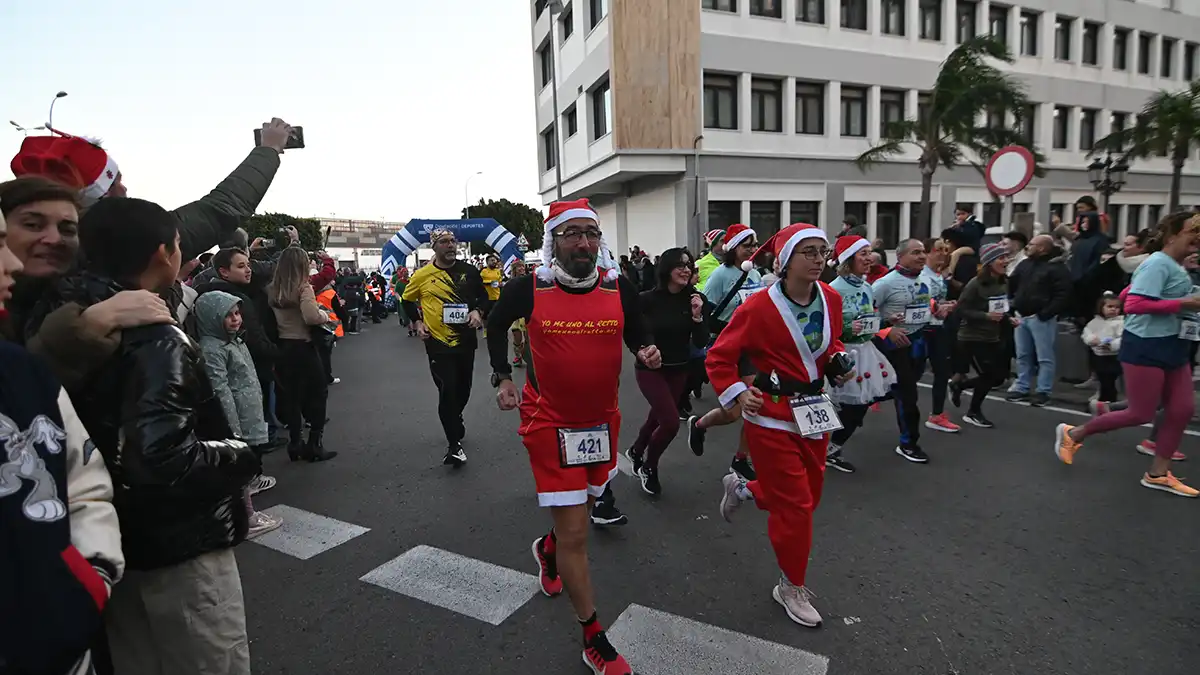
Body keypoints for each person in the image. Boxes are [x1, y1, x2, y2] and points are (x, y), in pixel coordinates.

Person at [52, 197, 261, 674]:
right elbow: (160, 458)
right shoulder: (155, 337)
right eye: (179, 244)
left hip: (114, 540)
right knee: (212, 660)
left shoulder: (74, 316)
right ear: (162, 254)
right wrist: (241, 456)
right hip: (179, 544)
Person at [486, 198, 660, 675]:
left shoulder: (616, 285)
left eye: (591, 233)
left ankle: (548, 549)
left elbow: (636, 326)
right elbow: (497, 323)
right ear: (554, 241)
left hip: (603, 423)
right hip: (550, 421)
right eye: (571, 233)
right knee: (579, 534)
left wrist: (644, 347)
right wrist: (502, 376)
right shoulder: (529, 287)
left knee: (575, 519)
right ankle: (593, 636)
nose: (583, 242)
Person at [0, 206, 124, 675]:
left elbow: (83, 481)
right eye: (31, 225)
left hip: (68, 644)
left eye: (68, 228)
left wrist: (92, 577)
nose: (11, 261)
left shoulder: (22, 370)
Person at [713, 223, 856, 628]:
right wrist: (738, 393)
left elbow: (831, 343)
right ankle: (791, 586)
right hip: (771, 415)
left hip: (815, 410)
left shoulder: (830, 297)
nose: (817, 259)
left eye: (822, 251)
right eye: (807, 252)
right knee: (796, 507)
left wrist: (837, 360)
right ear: (786, 259)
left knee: (807, 498)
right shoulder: (758, 306)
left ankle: (743, 487)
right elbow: (720, 358)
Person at [1055, 212, 1200, 498]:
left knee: (1182, 410)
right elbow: (1133, 304)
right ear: (1172, 236)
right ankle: (1073, 434)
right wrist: (1185, 303)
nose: (1197, 239)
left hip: (1173, 344)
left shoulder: (1175, 265)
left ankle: (1158, 473)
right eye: (1192, 233)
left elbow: (1126, 293)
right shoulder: (1158, 262)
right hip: (1145, 345)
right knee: (1140, 413)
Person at [194, 291, 283, 538]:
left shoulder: (234, 341)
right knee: (239, 474)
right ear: (211, 318)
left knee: (244, 470)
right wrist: (232, 428)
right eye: (227, 315)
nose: (235, 319)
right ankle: (246, 518)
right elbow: (220, 390)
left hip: (248, 412)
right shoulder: (213, 349)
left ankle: (247, 515)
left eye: (237, 314)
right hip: (237, 420)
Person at [625, 247, 708, 495]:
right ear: (667, 268)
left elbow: (702, 341)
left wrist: (697, 317)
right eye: (680, 265)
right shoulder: (646, 299)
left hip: (679, 369)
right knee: (670, 422)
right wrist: (642, 350)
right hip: (650, 369)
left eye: (689, 265)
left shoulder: (695, 299)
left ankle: (637, 450)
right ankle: (649, 466)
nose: (686, 270)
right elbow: (634, 333)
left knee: (658, 416)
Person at [401, 228, 487, 467]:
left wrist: (478, 311)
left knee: (463, 390)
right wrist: (417, 321)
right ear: (434, 247)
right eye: (445, 242)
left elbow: (484, 297)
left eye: (453, 241)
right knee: (447, 389)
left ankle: (455, 416)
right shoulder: (422, 275)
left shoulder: (469, 272)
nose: (451, 245)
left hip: (465, 341)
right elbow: (406, 300)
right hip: (437, 344)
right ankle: (454, 445)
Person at [826, 235, 896, 473]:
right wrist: (847, 329)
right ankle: (826, 448)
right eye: (863, 254)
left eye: (869, 252)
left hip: (866, 352)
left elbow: (868, 321)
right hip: (843, 353)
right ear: (848, 259)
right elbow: (828, 327)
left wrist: (885, 321)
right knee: (842, 407)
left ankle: (831, 447)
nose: (870, 258)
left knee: (860, 405)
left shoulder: (866, 287)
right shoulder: (833, 290)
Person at [268, 247, 338, 462]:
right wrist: (325, 315)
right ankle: (314, 444)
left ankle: (295, 442)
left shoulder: (271, 289)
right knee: (317, 393)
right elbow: (310, 316)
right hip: (303, 346)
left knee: (291, 396)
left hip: (283, 346)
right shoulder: (303, 287)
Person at [872, 239, 939, 463]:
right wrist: (887, 327)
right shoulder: (884, 284)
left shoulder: (925, 280)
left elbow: (925, 307)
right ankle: (909, 442)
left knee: (900, 390)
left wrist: (938, 310)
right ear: (900, 256)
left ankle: (870, 396)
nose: (921, 256)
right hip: (894, 346)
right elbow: (866, 315)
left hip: (919, 343)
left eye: (923, 252)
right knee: (908, 396)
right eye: (915, 252)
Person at [949, 243, 1015, 428]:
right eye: (1000, 258)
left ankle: (959, 386)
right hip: (972, 337)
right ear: (989, 262)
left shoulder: (1004, 281)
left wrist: (1009, 319)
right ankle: (973, 412)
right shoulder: (975, 284)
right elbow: (960, 310)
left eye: (1006, 257)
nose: (1005, 261)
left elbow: (1001, 308)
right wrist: (986, 316)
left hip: (993, 336)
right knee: (989, 376)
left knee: (998, 377)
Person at [1005, 234, 1072, 406]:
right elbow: (1012, 284)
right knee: (1023, 354)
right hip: (1021, 315)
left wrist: (1046, 313)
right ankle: (1022, 386)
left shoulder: (1057, 268)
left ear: (1042, 248)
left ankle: (1043, 390)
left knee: (1044, 357)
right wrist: (1012, 305)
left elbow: (1063, 294)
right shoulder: (1025, 264)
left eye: (1032, 244)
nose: (1028, 247)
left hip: (1041, 318)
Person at [920, 236, 959, 434]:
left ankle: (936, 414)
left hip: (938, 328)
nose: (944, 254)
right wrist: (936, 307)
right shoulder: (921, 276)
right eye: (938, 250)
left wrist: (948, 305)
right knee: (909, 376)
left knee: (942, 372)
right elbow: (921, 300)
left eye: (945, 250)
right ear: (927, 253)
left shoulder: (938, 276)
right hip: (921, 329)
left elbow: (936, 301)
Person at [1082, 292, 1125, 403]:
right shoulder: (1094, 322)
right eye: (1110, 306)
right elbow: (1086, 333)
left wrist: (1112, 345)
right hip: (1098, 355)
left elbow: (1123, 338)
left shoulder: (1120, 323)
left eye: (1117, 307)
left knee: (1109, 380)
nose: (1113, 309)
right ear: (1101, 307)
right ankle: (1103, 399)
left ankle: (1108, 400)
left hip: (1113, 356)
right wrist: (1091, 339)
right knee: (1101, 379)